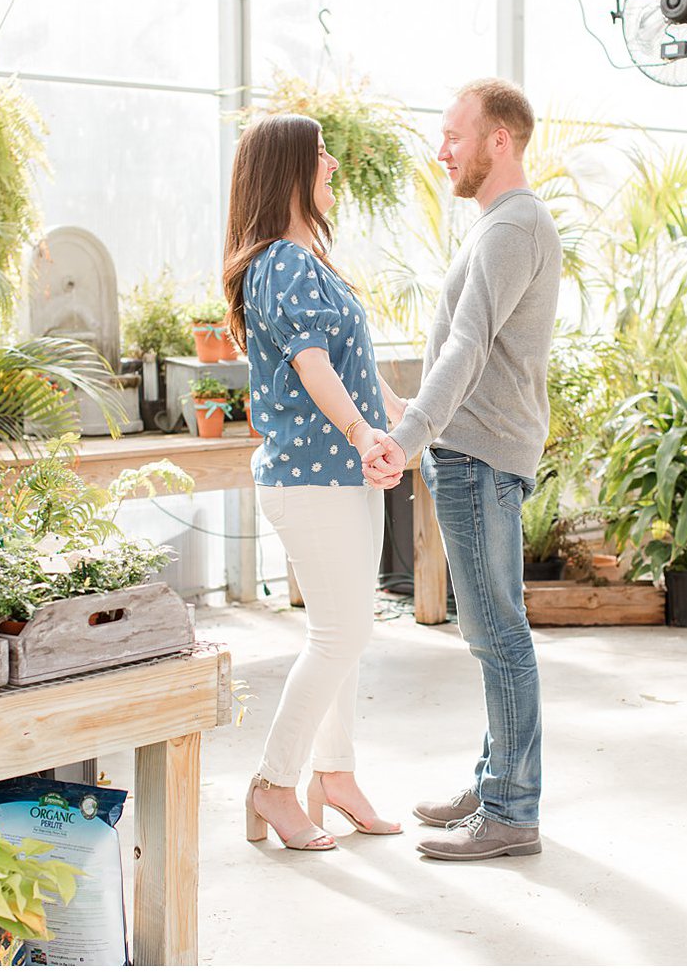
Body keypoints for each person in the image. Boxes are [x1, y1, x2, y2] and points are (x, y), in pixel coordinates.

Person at [362, 78, 561, 861]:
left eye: (453, 135)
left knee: (497, 634)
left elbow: (466, 347)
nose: (441, 150)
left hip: (478, 457)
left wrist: (410, 435)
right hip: (474, 453)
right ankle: (497, 776)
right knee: (492, 632)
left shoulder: (513, 228)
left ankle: (513, 809)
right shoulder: (501, 226)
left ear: (498, 141)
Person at [225, 113, 411, 851]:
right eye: (320, 155)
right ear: (289, 171)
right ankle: (273, 783)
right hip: (315, 478)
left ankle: (334, 777)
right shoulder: (284, 263)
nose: (333, 164)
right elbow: (315, 367)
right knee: (342, 632)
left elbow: (357, 374)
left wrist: (403, 417)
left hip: (341, 475)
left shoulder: (307, 261)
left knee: (345, 633)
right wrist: (364, 433)